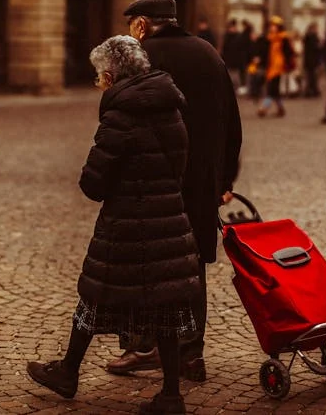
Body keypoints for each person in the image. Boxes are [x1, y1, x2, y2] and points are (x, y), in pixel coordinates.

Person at [26, 36, 201, 414]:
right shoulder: (171, 108)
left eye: (98, 76)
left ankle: (68, 372)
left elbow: (94, 184)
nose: (98, 84)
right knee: (165, 305)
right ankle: (171, 395)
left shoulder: (120, 116)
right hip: (168, 220)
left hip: (127, 224)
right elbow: (179, 168)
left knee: (94, 296)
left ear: (110, 75)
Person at [111, 0, 242, 382]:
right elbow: (232, 123)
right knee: (192, 265)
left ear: (141, 25)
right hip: (202, 182)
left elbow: (126, 123)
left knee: (147, 263)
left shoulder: (140, 57)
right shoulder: (208, 53)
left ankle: (145, 346)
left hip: (154, 181)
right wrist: (224, 180)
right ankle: (190, 353)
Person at [254, 16, 293, 118]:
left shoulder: (283, 38)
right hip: (270, 66)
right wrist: (260, 59)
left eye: (274, 26)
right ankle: (281, 109)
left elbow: (288, 52)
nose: (272, 28)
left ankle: (263, 108)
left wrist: (288, 65)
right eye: (271, 26)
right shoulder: (269, 38)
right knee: (274, 90)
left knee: (271, 88)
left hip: (278, 66)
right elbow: (264, 51)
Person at [221, 19, 243, 91]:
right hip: (228, 60)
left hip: (235, 61)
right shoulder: (227, 36)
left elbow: (240, 50)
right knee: (229, 77)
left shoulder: (238, 37)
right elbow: (224, 49)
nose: (232, 29)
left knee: (235, 78)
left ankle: (234, 89)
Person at [303, 23, 322, 98]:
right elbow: (316, 48)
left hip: (309, 60)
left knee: (310, 76)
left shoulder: (307, 37)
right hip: (312, 60)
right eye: (316, 28)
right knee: (312, 76)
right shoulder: (312, 37)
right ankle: (312, 91)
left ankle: (311, 90)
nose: (317, 30)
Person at [237, 20, 255, 94]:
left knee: (245, 74)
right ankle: (249, 88)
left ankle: (246, 88)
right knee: (249, 73)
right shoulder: (249, 35)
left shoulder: (244, 35)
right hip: (249, 58)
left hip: (245, 58)